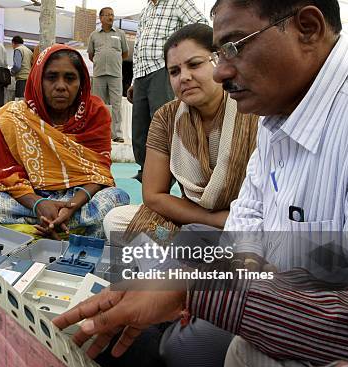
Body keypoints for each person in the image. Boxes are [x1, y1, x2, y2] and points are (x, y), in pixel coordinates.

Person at [58, 0, 348, 367]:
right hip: (244, 265)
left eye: (235, 46)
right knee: (175, 246)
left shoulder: (259, 113)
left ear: (308, 27)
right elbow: (239, 227)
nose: (222, 71)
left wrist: (196, 290)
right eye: (218, 54)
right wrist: (197, 278)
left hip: (315, 339)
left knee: (197, 346)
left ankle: (165, 339)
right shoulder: (271, 110)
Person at [103, 24, 258, 244]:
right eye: (174, 71)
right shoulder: (166, 118)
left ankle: (190, 258)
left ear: (220, 60)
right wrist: (210, 219)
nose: (184, 77)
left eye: (194, 65)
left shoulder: (251, 109)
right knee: (115, 221)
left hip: (245, 220)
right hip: (193, 218)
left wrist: (233, 220)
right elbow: (154, 196)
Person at [0, 45, 130, 239]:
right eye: (51, 77)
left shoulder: (94, 112)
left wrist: (70, 207)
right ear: (38, 80)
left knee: (117, 198)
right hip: (29, 198)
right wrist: (39, 204)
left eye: (70, 78)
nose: (61, 86)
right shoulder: (15, 117)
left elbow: (99, 173)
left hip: (74, 199)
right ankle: (69, 232)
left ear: (81, 82)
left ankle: (34, 232)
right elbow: (6, 176)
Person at [129, 0, 207, 181]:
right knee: (139, 129)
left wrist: (181, 58)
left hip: (163, 70)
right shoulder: (146, 9)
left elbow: (200, 25)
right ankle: (145, 171)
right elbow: (138, 46)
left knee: (164, 123)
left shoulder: (178, 2)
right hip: (142, 73)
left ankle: (170, 172)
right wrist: (134, 79)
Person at [87, 7, 129, 143]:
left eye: (112, 15)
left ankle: (116, 134)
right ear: (101, 18)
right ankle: (99, 132)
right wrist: (101, 61)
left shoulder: (120, 33)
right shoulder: (94, 35)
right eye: (108, 15)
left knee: (116, 104)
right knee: (99, 105)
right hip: (99, 74)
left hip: (115, 75)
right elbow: (91, 55)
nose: (111, 17)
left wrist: (114, 61)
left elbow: (125, 53)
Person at [10, 35, 33, 100]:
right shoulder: (29, 51)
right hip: (29, 80)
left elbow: (17, 66)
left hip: (21, 80)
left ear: (13, 43)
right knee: (27, 101)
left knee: (20, 102)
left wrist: (12, 72)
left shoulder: (18, 50)